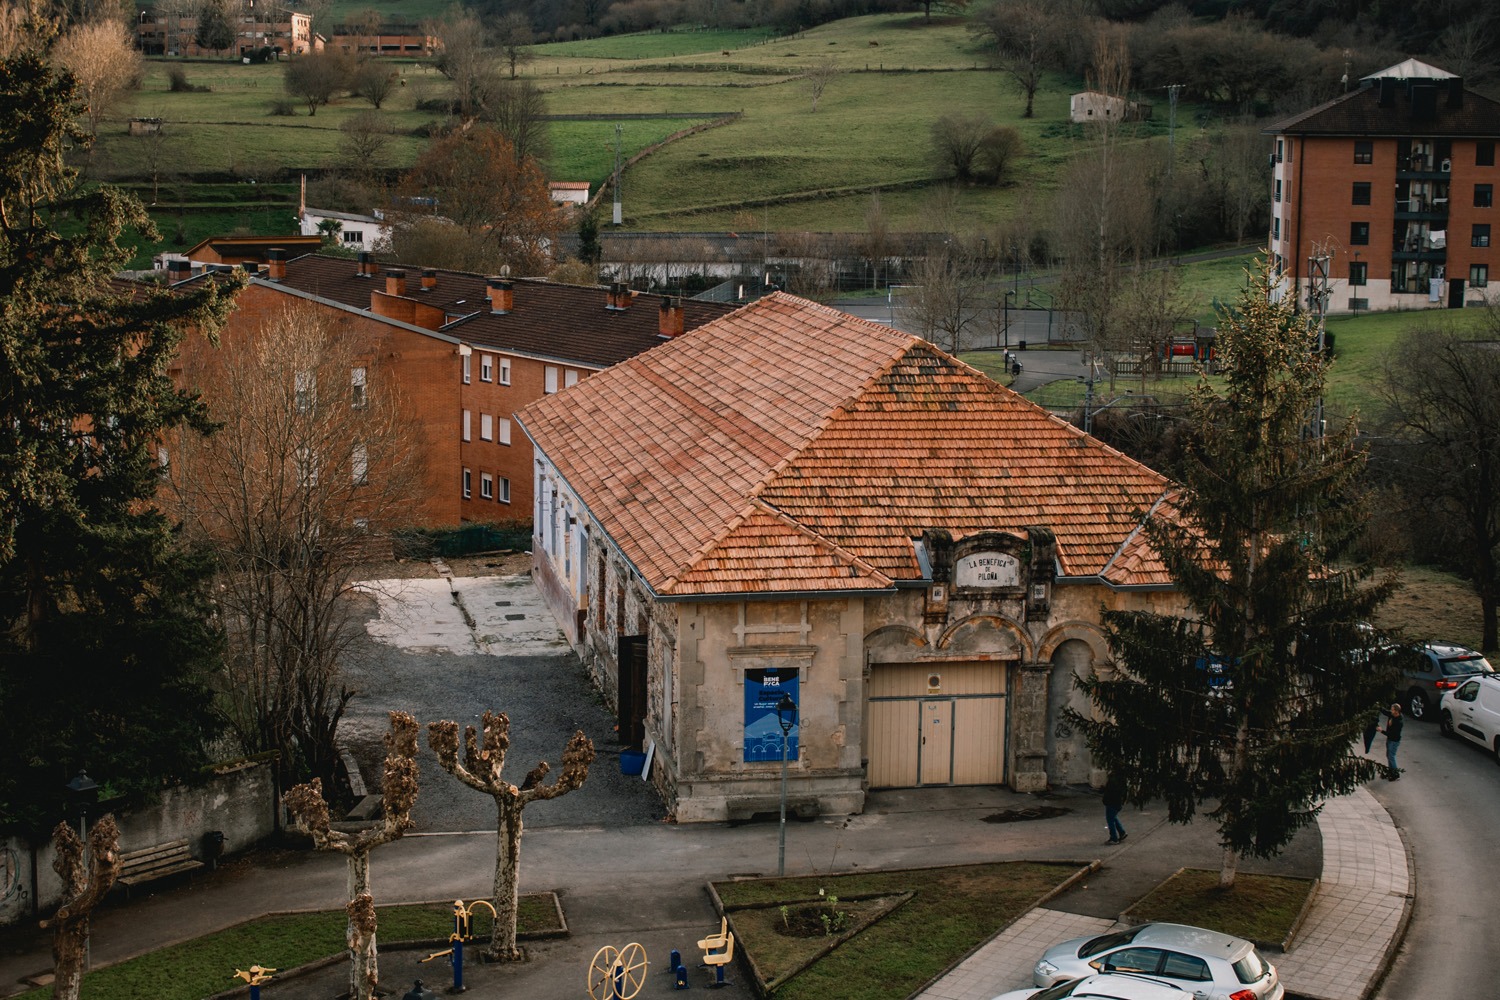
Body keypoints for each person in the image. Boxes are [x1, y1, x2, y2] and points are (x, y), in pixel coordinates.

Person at [1102, 771, 1127, 844]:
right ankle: (1122, 832)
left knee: (1110, 819)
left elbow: (1109, 791)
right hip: (1117, 802)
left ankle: (1114, 838)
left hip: (1111, 802)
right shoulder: (1121, 779)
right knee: (1113, 817)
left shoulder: (1113, 780)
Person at [1382, 702, 1403, 780]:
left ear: (1396, 711)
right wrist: (1378, 707)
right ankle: (1391, 771)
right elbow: (1385, 712)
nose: (1391, 711)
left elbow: (1391, 734)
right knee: (1389, 756)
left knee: (1391, 756)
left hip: (1394, 741)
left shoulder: (1398, 722)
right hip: (1390, 740)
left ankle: (1395, 774)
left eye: (1392, 710)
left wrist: (1381, 731)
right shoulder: (1392, 715)